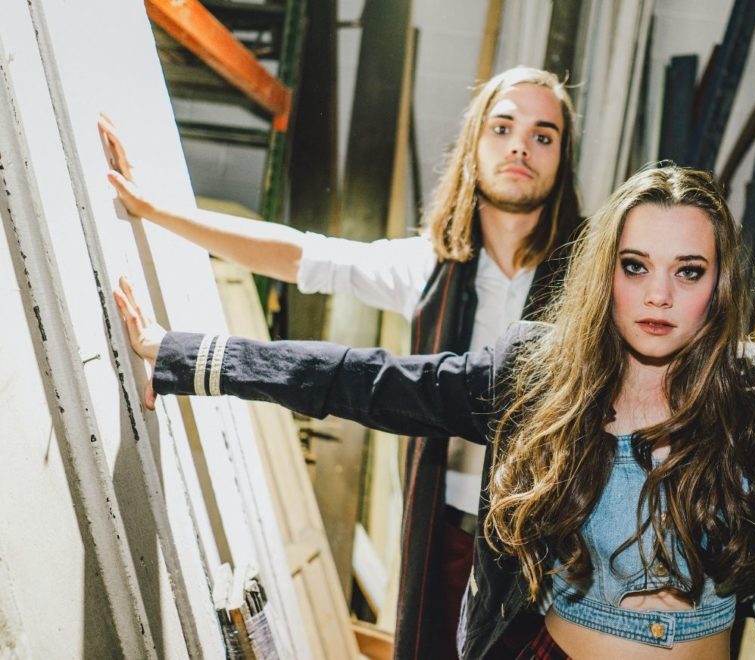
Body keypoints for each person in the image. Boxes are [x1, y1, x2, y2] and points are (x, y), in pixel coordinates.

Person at [115, 166, 755, 660]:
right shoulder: (536, 378)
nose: (659, 295)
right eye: (636, 267)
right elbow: (368, 378)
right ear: (606, 275)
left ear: (721, 287)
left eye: (689, 271)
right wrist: (188, 356)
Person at [101, 66, 583, 659]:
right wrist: (160, 211)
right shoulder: (431, 268)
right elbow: (305, 255)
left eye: (543, 134)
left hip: (554, 547)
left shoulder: (589, 282)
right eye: (503, 126)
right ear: (474, 144)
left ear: (563, 156)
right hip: (446, 528)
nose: (519, 147)